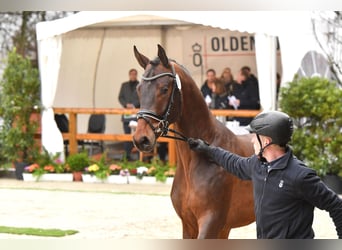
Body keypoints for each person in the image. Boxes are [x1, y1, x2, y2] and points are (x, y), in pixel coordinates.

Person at [188, 111, 342, 239]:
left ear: (267, 141)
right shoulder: (258, 165)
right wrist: (207, 149)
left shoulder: (300, 176)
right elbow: (234, 163)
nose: (252, 140)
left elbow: (336, 205)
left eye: (256, 135)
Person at [118, 68, 140, 160]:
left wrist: (134, 105)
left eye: (135, 74)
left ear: (136, 75)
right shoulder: (124, 85)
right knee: (126, 134)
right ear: (129, 75)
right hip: (126, 113)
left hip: (136, 113)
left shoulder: (140, 85)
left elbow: (142, 97)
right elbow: (120, 97)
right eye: (131, 74)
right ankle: (127, 155)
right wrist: (125, 104)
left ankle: (139, 155)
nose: (133, 76)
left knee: (138, 134)